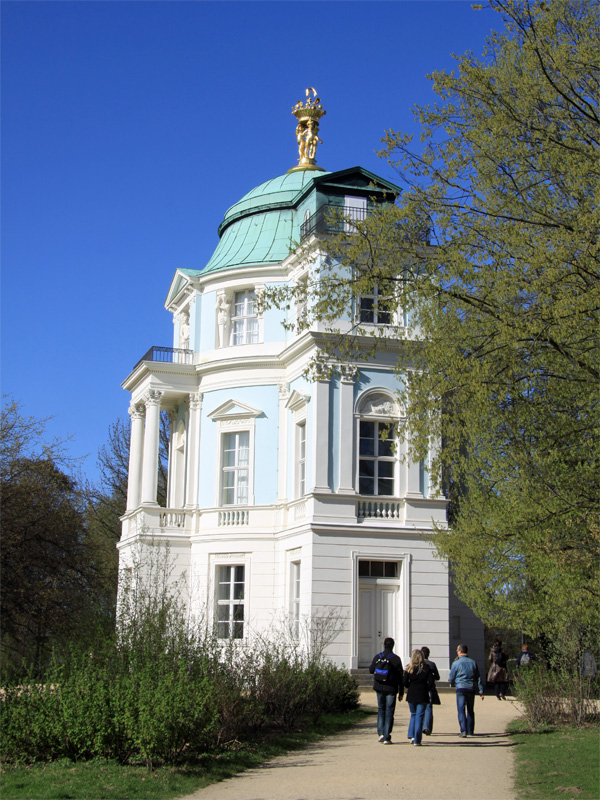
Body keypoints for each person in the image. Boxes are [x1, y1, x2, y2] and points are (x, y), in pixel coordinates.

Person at [369, 637, 403, 744]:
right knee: (389, 711)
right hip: (391, 688)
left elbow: (371, 670)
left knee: (381, 709)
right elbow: (400, 677)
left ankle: (381, 734)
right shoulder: (396, 659)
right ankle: (387, 735)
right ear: (393, 646)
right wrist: (401, 691)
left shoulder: (378, 657)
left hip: (379, 687)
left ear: (384, 645)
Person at [448, 643, 484, 738]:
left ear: (460, 651)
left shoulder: (456, 663)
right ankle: (470, 730)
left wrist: (452, 682)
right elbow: (478, 677)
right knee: (470, 710)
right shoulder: (473, 662)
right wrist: (480, 690)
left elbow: (451, 677)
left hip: (460, 687)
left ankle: (463, 730)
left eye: (457, 650)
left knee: (461, 709)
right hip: (470, 687)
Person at [403, 649, 435, 746]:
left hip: (412, 694)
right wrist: (426, 688)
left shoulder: (409, 668)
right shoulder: (426, 668)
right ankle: (417, 739)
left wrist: (409, 685)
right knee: (419, 716)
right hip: (422, 694)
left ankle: (411, 735)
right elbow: (431, 683)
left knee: (413, 714)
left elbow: (404, 682)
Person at [420, 645, 440, 735]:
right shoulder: (432, 664)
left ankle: (419, 726)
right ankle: (427, 727)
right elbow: (437, 677)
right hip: (429, 688)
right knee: (428, 708)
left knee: (419, 709)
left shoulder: (417, 664)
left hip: (420, 688)